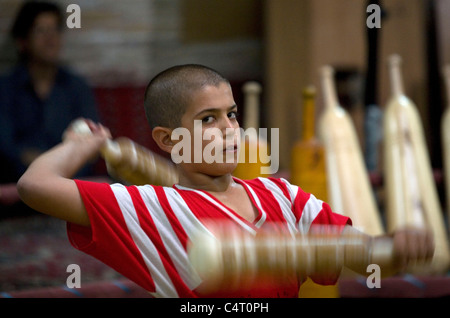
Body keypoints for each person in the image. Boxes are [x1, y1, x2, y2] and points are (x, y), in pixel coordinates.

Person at [17, 65, 434, 298]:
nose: (229, 129)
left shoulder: (281, 195)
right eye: (208, 119)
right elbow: (34, 186)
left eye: (231, 114)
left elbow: (363, 257)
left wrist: (398, 247)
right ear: (168, 140)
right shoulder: (149, 209)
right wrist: (82, 142)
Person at [0, 1, 99, 184]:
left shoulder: (76, 86)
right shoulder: (6, 88)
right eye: (41, 31)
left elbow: (93, 139)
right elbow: (6, 146)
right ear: (22, 41)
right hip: (20, 179)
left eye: (55, 30)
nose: (50, 38)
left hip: (72, 177)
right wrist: (43, 166)